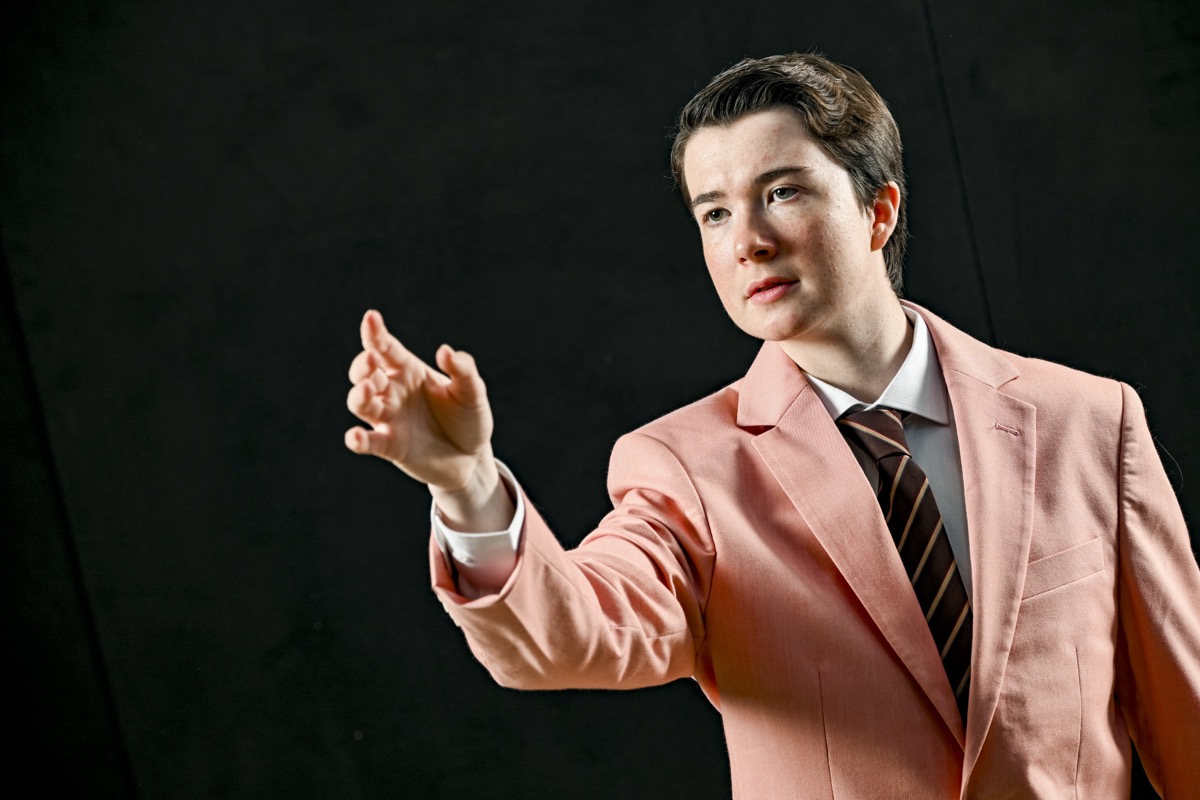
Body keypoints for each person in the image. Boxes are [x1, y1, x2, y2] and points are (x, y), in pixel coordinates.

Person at [344, 53, 1200, 798]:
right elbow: (571, 636)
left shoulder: (1091, 421)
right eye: (714, 212)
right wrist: (467, 484)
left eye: (782, 192)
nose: (746, 240)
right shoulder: (683, 468)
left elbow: (1186, 718)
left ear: (879, 211)